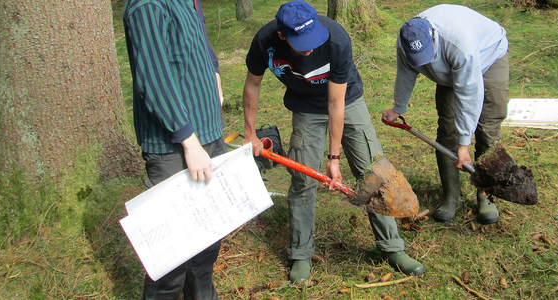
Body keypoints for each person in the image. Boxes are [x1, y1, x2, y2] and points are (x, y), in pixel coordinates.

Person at [242, 0, 424, 282]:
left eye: (312, 38)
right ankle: (301, 253)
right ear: (282, 36)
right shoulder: (265, 41)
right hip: (304, 106)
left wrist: (334, 158)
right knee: (303, 179)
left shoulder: (336, 38)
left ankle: (392, 247)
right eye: (302, 43)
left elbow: (336, 103)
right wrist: (251, 132)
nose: (310, 48)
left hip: (347, 100)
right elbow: (252, 85)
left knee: (375, 171)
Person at [123, 0, 226, 298]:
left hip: (208, 131)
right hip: (174, 144)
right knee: (172, 254)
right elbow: (153, 79)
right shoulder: (146, 5)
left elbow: (199, 37)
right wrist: (188, 141)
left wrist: (215, 71)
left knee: (209, 232)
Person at [382, 4, 510, 225]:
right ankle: (452, 196)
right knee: (447, 128)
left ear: (433, 38)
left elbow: (469, 91)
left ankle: (486, 194)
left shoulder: (459, 44)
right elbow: (405, 71)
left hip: (489, 56)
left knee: (487, 129)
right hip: (449, 70)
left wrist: (464, 145)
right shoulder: (406, 40)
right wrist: (398, 108)